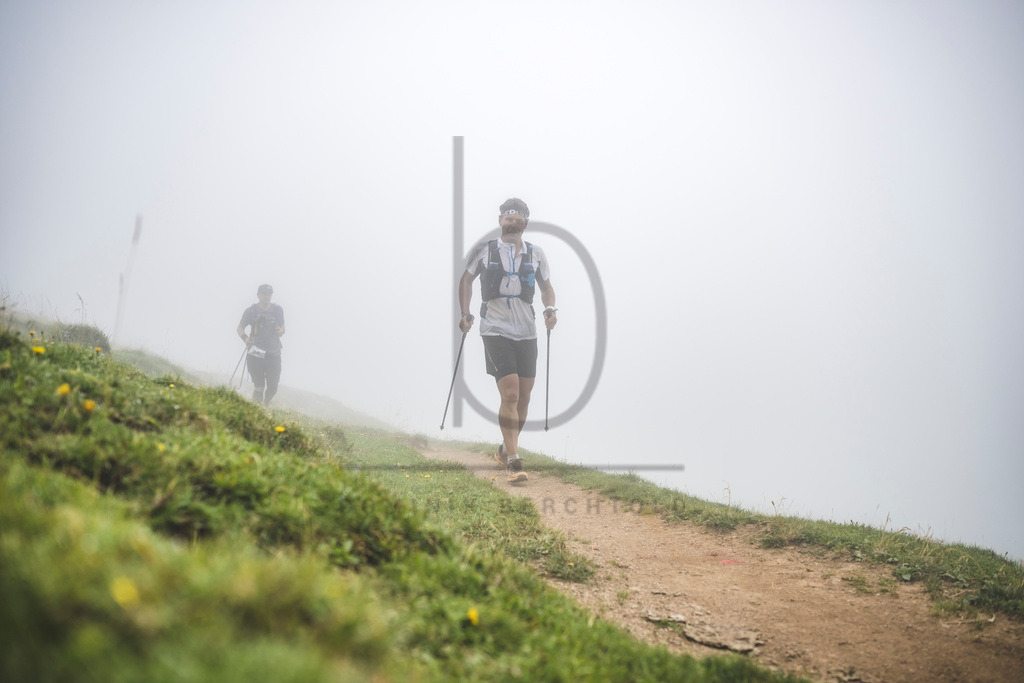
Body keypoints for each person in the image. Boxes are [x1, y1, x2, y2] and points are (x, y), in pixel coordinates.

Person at [458, 198, 557, 483]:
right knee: (511, 393)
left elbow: (547, 288)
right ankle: (514, 459)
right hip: (494, 328)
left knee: (524, 397)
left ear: (525, 224)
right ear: (500, 221)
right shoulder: (483, 250)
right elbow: (466, 281)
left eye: (518, 219)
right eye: (508, 218)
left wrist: (550, 310)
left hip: (527, 331)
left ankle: (505, 448)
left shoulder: (536, 254)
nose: (512, 223)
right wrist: (465, 313)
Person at [236, 283, 285, 405]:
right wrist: (246, 339)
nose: (266, 297)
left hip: (273, 353)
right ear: (258, 295)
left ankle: (266, 403)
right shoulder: (251, 310)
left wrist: (281, 331)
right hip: (256, 351)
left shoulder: (277, 310)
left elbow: (283, 326)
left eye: (269, 295)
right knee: (259, 385)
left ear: (271, 296)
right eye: (263, 295)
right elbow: (240, 327)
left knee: (273, 386)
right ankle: (256, 408)